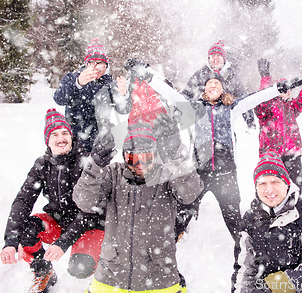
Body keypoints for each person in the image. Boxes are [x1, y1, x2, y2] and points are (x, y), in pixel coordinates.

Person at [125, 58, 302, 242]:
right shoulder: (194, 107)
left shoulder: (232, 108)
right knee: (183, 212)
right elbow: (170, 93)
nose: (213, 85)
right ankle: (168, 247)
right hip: (199, 173)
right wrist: (145, 74)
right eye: (209, 83)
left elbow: (255, 98)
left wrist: (278, 88)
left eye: (217, 83)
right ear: (205, 89)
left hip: (226, 174)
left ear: (223, 89)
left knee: (235, 221)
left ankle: (246, 254)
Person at [73, 122, 204, 293]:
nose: (140, 165)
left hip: (158, 277)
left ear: (156, 155)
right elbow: (84, 202)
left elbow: (190, 194)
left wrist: (177, 157)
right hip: (111, 276)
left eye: (147, 157)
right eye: (133, 159)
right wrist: (94, 167)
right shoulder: (113, 174)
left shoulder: (166, 175)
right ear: (125, 156)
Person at [0, 109, 109, 293]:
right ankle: (44, 272)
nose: (61, 138)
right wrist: (10, 240)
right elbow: (23, 201)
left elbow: (90, 210)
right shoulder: (42, 164)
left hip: (90, 223)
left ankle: (103, 277)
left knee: (80, 267)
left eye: (65, 133)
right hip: (59, 221)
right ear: (47, 141)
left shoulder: (87, 162)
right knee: (26, 232)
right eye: (55, 134)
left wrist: (63, 242)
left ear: (72, 137)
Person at [231, 152, 302, 293]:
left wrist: (275, 286)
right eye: (262, 183)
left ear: (286, 184)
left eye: (275, 181)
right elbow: (244, 270)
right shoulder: (250, 219)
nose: (269, 189)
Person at [255, 56, 302, 193]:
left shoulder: (292, 107)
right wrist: (265, 79)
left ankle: (296, 212)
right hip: (271, 157)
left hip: (293, 155)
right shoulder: (266, 108)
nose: (287, 91)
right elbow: (260, 103)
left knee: (295, 192)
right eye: (283, 88)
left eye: (289, 89)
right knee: (272, 192)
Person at [53, 38, 129, 152]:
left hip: (100, 145)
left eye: (100, 64)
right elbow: (59, 98)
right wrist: (78, 83)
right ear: (86, 64)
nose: (96, 68)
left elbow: (123, 110)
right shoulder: (72, 78)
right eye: (92, 63)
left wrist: (124, 95)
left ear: (106, 66)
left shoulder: (110, 85)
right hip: (73, 143)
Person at [182, 40, 256, 131]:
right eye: (213, 55)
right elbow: (186, 94)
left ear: (224, 58)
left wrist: (250, 120)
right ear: (209, 58)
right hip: (204, 118)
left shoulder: (232, 76)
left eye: (219, 55)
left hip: (225, 118)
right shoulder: (200, 74)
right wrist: (177, 113)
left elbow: (243, 98)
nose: (215, 58)